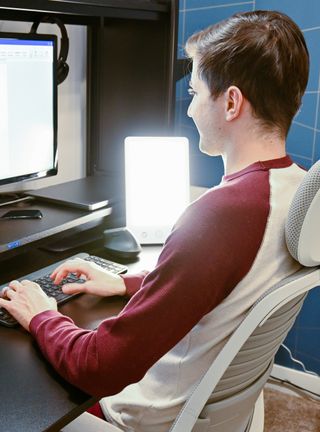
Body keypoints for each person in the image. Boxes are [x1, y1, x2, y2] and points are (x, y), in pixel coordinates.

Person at [0, 10, 310, 432]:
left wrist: (42, 315)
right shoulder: (297, 189)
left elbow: (100, 369)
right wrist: (125, 283)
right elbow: (219, 284)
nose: (191, 108)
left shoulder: (223, 214)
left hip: (141, 420)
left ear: (232, 102)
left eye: (196, 90)